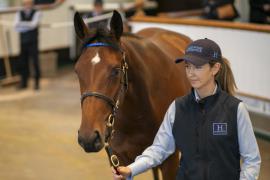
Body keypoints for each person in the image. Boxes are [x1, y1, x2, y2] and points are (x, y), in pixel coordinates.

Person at [112, 38, 261, 180]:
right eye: (187, 66)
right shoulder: (177, 108)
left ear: (215, 68)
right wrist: (131, 169)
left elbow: (252, 159)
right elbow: (159, 149)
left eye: (198, 67)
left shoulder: (236, 109)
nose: (190, 73)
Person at [14, 0, 41, 90]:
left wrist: (22, 24)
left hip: (33, 42)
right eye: (25, 3)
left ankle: (37, 84)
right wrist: (27, 25)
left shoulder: (37, 12)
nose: (27, 5)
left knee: (35, 62)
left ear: (32, 4)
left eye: (29, 3)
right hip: (23, 42)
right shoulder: (19, 13)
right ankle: (24, 83)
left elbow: (33, 25)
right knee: (23, 62)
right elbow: (16, 26)